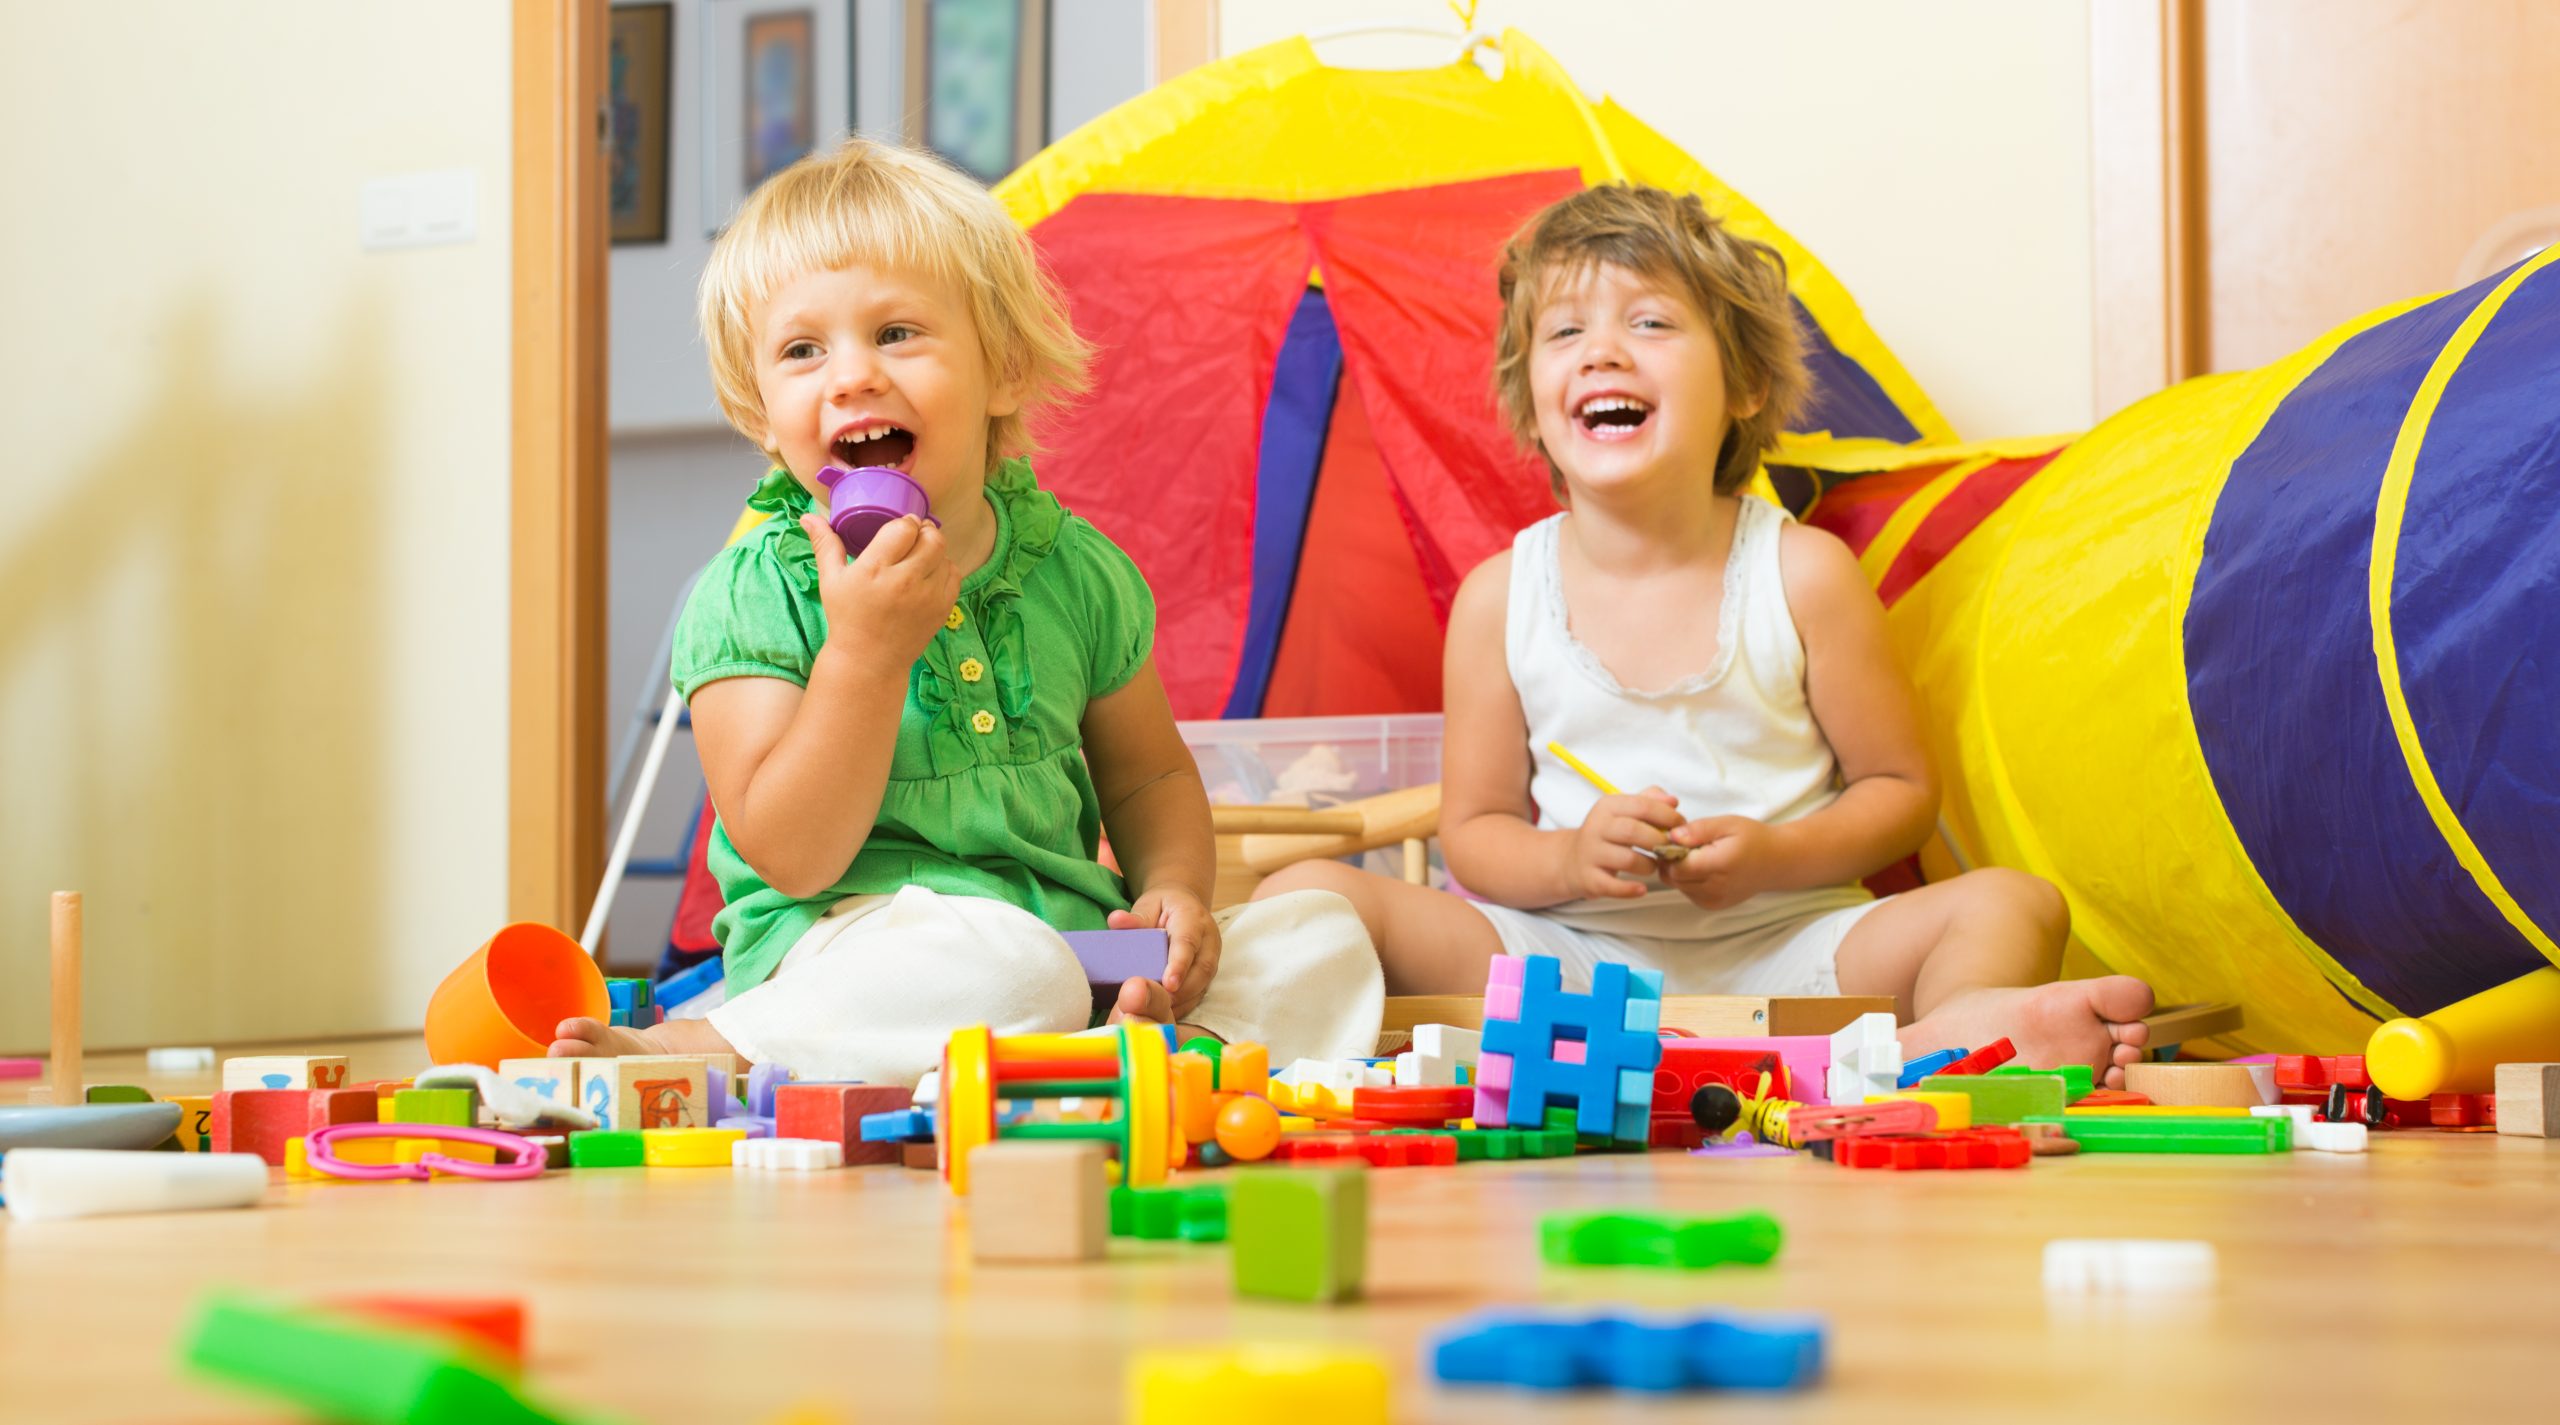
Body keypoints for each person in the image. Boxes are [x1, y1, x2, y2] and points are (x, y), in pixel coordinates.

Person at [1252, 184, 2152, 1085]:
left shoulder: (1803, 574)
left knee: (2012, 902)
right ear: (1532, 400)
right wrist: (1569, 856)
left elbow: (1901, 790)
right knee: (1309, 894)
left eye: (1649, 323)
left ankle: (1952, 1043)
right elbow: (1478, 831)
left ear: (1745, 384)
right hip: (1573, 958)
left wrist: (1773, 856)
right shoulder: (1500, 597)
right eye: (1564, 335)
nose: (1601, 351)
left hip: (1794, 948)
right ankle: (1276, 1058)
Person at [553, 139, 1380, 1085]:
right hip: (859, 942)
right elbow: (790, 856)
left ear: (1006, 371)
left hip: (1075, 954)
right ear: (760, 408)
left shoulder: (1074, 569)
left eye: (897, 333)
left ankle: (1123, 1051)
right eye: (801, 350)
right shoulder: (756, 589)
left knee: (1325, 932)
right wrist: (865, 652)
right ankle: (721, 1041)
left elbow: (1150, 778)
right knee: (1004, 968)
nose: (851, 376)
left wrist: (1175, 894)